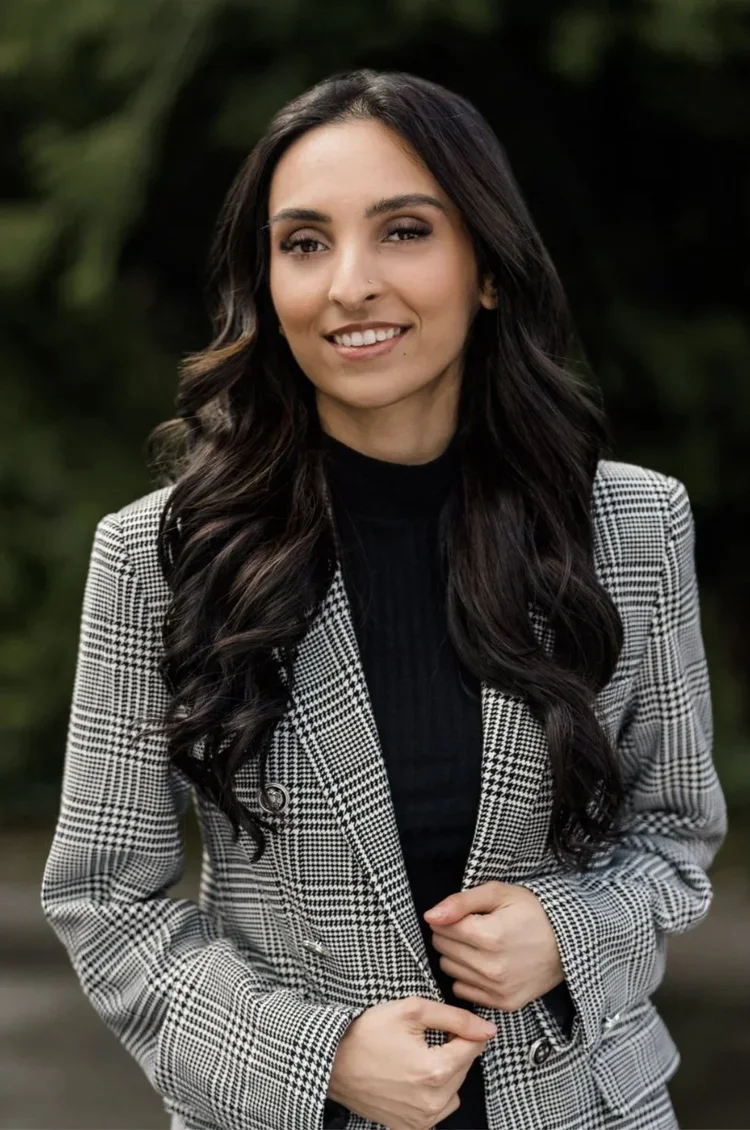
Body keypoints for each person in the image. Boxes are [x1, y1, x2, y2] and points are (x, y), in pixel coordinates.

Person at [41, 68, 727, 1130]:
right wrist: (322, 1057)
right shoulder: (161, 556)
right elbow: (106, 902)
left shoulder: (632, 526)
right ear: (266, 284)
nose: (349, 282)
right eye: (305, 243)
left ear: (487, 266)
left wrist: (568, 931)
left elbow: (674, 835)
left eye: (403, 230)